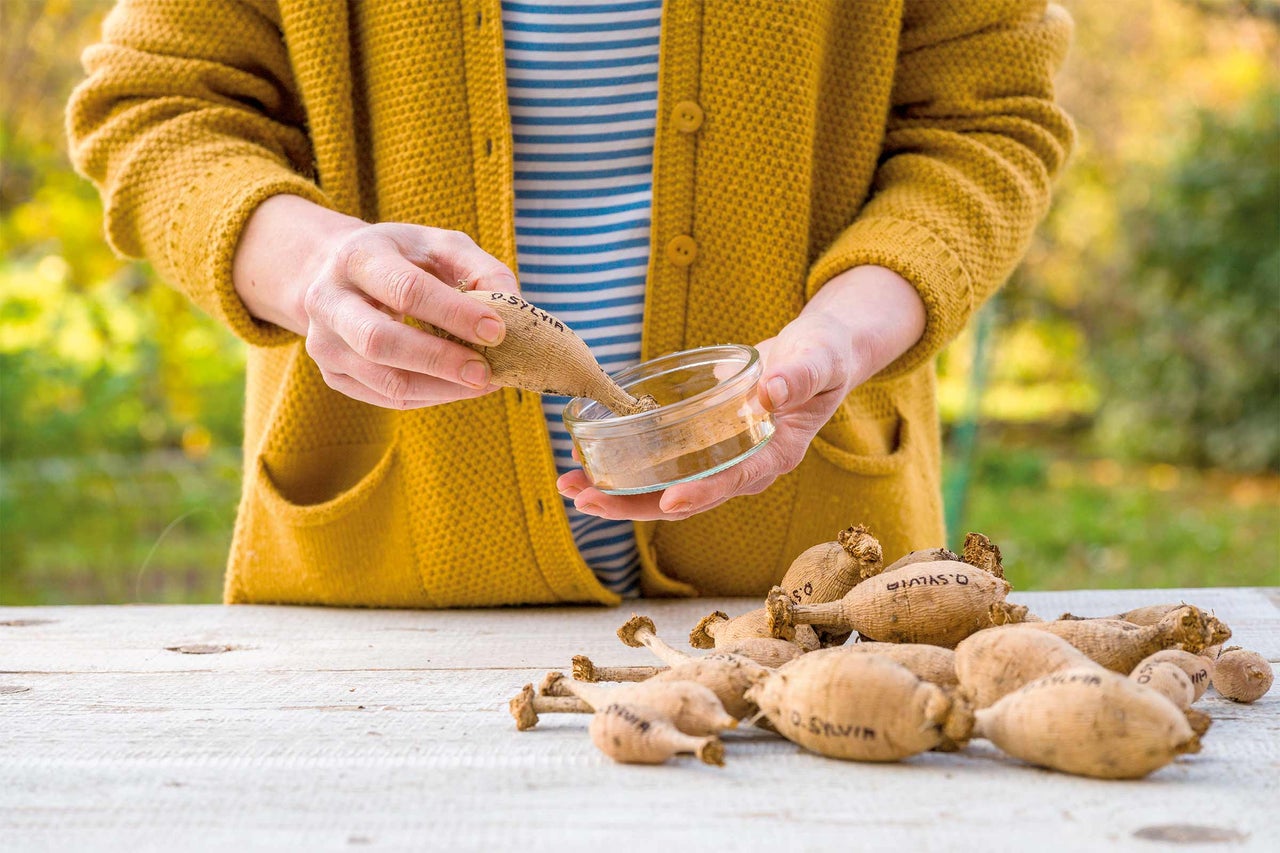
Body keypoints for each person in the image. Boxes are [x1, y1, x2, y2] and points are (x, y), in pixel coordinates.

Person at [68, 0, 1074, 608]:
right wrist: (309, 268)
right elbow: (156, 106)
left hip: (811, 601)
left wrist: (842, 338)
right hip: (386, 604)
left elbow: (985, 124)